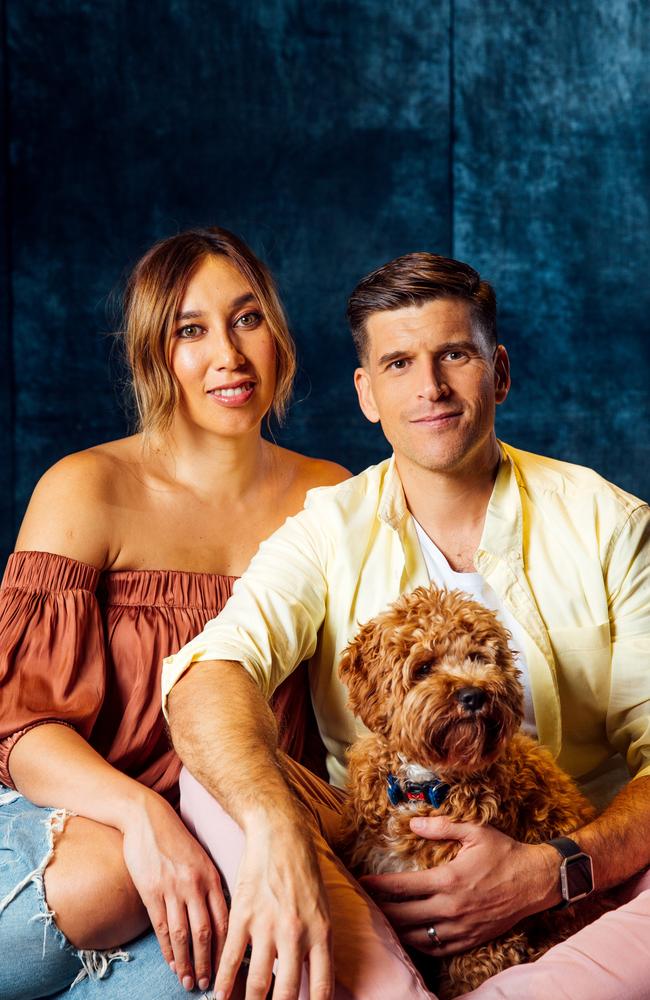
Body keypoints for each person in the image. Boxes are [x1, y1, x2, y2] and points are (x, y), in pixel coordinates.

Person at [163, 251, 650, 1000]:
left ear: (501, 372)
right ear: (366, 392)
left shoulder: (609, 523)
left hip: (577, 881)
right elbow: (211, 673)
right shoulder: (328, 527)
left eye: (455, 354)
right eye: (398, 363)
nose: (429, 388)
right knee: (215, 780)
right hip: (378, 872)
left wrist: (555, 868)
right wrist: (277, 833)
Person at [0, 226, 349, 1000]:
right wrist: (141, 821)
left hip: (235, 846)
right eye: (190, 329)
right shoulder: (87, 487)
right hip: (82, 814)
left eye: (246, 317)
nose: (228, 352)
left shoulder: (332, 496)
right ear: (154, 354)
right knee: (105, 884)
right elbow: (21, 727)